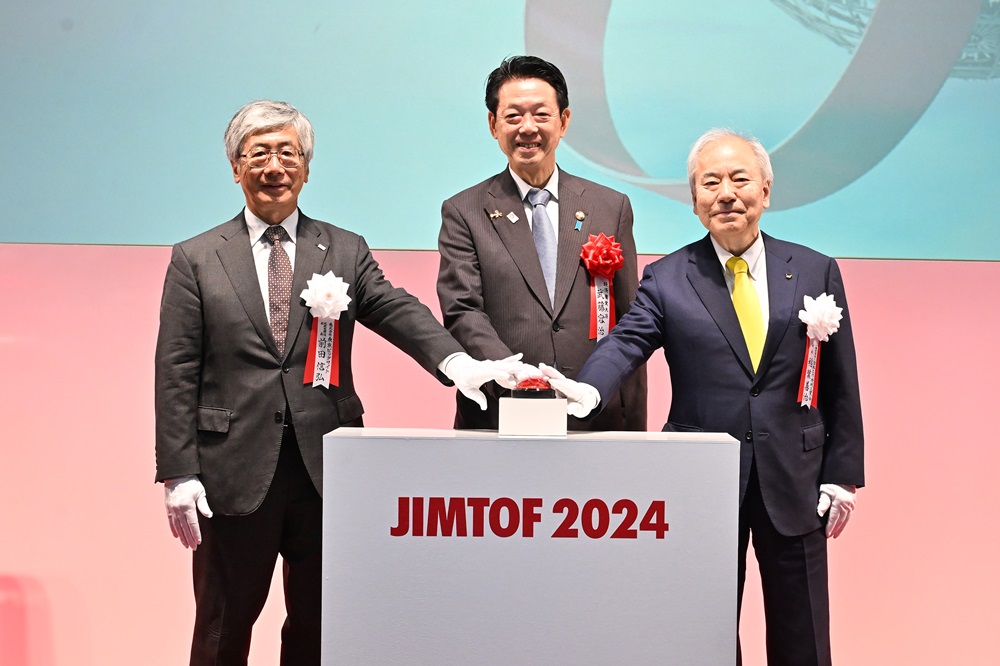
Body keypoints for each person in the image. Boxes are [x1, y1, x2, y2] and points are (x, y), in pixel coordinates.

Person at [154, 100, 526, 666]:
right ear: (235, 168)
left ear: (307, 168)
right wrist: (179, 471)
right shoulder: (196, 258)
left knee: (319, 625)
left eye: (288, 153)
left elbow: (395, 309)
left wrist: (459, 365)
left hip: (325, 470)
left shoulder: (343, 248)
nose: (274, 166)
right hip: (230, 474)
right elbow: (176, 369)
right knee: (222, 628)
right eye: (258, 154)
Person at [543, 129, 865, 665]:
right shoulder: (669, 278)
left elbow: (841, 382)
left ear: (766, 189)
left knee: (804, 632)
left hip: (795, 475)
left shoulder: (814, 269)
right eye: (709, 183)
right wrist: (588, 386)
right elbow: (627, 340)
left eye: (739, 179)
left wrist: (842, 472)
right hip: (705, 480)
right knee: (706, 632)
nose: (726, 193)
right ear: (694, 203)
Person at [437, 55, 647, 431]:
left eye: (541, 115)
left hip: (593, 412)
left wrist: (632, 420)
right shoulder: (464, 210)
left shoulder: (610, 207)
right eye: (513, 116)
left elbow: (629, 321)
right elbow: (462, 311)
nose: (527, 128)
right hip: (500, 410)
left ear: (564, 121)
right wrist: (519, 379)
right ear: (493, 125)